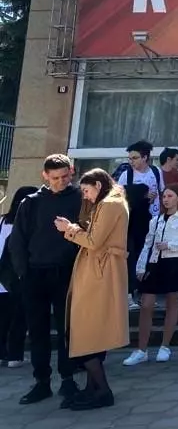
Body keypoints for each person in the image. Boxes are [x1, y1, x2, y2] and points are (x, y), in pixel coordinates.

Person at [9, 154, 82, 405]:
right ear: (45, 176)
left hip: (67, 272)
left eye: (64, 176)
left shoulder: (80, 199)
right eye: (55, 178)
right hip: (35, 274)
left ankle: (68, 379)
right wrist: (23, 272)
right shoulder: (31, 202)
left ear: (71, 173)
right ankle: (41, 381)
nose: (61, 182)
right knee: (37, 330)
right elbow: (17, 240)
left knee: (67, 329)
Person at [53, 169, 129, 411]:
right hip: (99, 270)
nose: (85, 196)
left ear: (98, 185)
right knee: (89, 334)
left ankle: (103, 391)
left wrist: (69, 229)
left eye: (86, 191)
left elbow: (94, 242)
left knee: (87, 332)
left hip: (100, 272)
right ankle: (92, 388)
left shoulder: (109, 204)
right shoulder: (112, 202)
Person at [123, 184, 178, 366]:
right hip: (155, 263)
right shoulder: (156, 220)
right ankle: (141, 349)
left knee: (172, 303)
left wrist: (170, 245)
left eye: (170, 196)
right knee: (146, 305)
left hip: (175, 263)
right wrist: (141, 267)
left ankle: (165, 346)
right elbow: (148, 244)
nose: (166, 199)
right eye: (164, 196)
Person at [116, 141, 162, 310]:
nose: (131, 161)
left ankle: (145, 293)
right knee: (131, 255)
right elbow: (118, 197)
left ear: (145, 157)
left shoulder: (155, 172)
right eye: (130, 158)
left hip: (152, 218)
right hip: (132, 220)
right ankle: (129, 293)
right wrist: (141, 195)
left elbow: (161, 191)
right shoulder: (126, 175)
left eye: (135, 158)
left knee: (148, 255)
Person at [0, 186, 34, 370]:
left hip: (2, 277)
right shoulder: (26, 224)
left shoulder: (2, 220)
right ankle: (15, 355)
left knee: (3, 319)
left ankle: (2, 354)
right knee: (19, 318)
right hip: (17, 278)